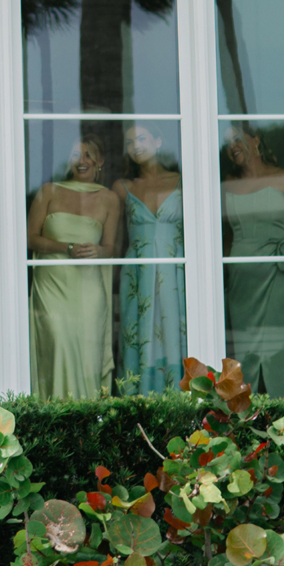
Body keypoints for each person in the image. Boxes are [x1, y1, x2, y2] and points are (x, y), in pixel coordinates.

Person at [221, 123, 284, 396]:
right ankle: (247, 421)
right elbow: (224, 240)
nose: (233, 145)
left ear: (256, 140)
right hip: (242, 284)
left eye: (238, 138)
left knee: (282, 349)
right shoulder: (227, 185)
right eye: (227, 143)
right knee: (246, 353)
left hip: (281, 277)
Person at [28, 137, 121, 398]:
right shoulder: (49, 191)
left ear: (100, 161)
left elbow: (111, 247)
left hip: (89, 287)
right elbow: (30, 238)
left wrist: (98, 250)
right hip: (53, 285)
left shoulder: (110, 199)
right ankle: (54, 416)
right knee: (57, 343)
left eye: (89, 155)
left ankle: (88, 422)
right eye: (76, 155)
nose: (82, 161)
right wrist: (66, 248)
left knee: (88, 353)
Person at [113, 123, 185, 394]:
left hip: (175, 269)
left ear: (158, 141)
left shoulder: (182, 180)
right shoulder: (123, 187)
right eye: (129, 143)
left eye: (141, 139)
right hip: (138, 272)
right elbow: (117, 242)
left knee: (174, 330)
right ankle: (137, 397)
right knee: (139, 332)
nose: (136, 147)